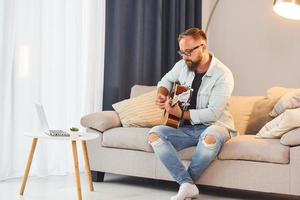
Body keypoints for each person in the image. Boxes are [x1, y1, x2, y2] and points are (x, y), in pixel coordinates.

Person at [148, 28, 237, 200]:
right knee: (154, 134)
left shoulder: (223, 75)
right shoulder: (183, 65)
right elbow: (165, 80)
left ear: (203, 47)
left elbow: (212, 114)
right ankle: (187, 185)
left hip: (216, 126)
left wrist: (181, 114)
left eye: (188, 52)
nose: (184, 56)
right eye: (182, 52)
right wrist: (162, 93)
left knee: (209, 138)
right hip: (186, 129)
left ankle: (185, 183)